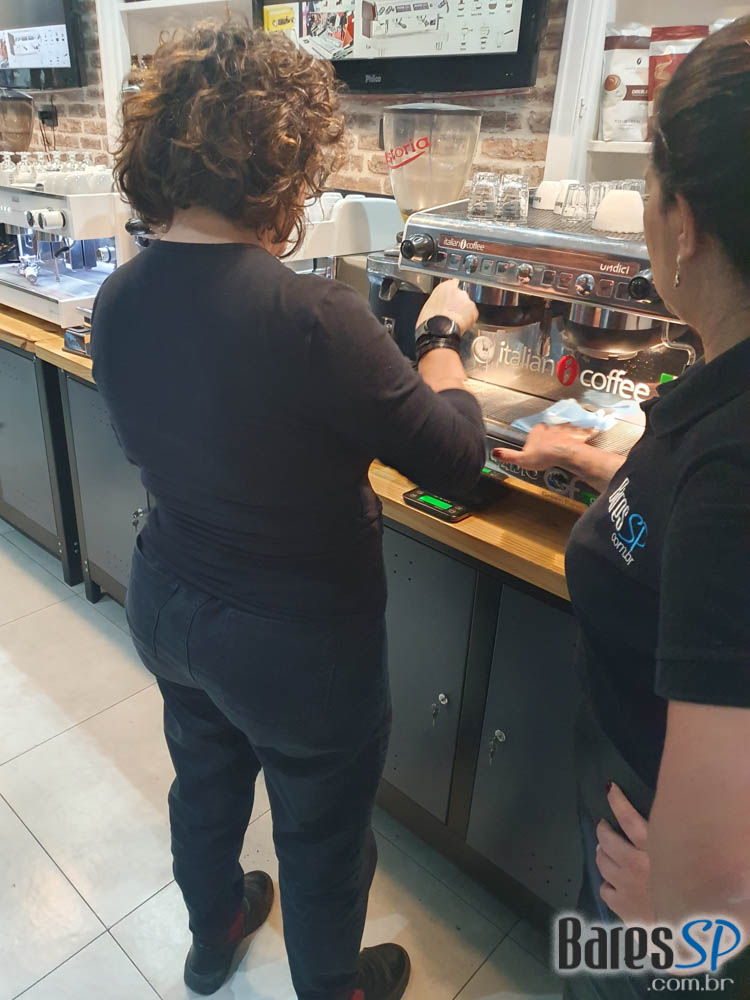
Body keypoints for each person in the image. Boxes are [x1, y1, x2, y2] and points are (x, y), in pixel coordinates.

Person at [91, 22, 485, 1000]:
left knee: (204, 782)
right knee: (321, 831)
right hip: (297, 647)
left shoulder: (119, 296)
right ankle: (331, 988)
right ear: (283, 161)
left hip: (169, 602)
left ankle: (213, 935)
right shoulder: (315, 317)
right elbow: (457, 461)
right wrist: (443, 341)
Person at [494, 18, 750, 998]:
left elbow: (714, 878)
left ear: (683, 223)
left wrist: (701, 910)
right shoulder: (717, 414)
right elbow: (682, 528)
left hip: (667, 911)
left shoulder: (733, 469)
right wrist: (585, 456)